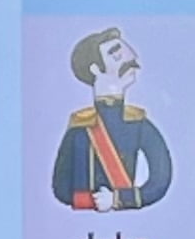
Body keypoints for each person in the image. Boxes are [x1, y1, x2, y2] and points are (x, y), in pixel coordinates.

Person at [47, 26, 173, 213]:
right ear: (95, 69)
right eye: (116, 53)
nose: (131, 56)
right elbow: (62, 189)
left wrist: (118, 199)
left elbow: (161, 180)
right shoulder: (80, 128)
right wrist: (92, 201)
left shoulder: (138, 124)